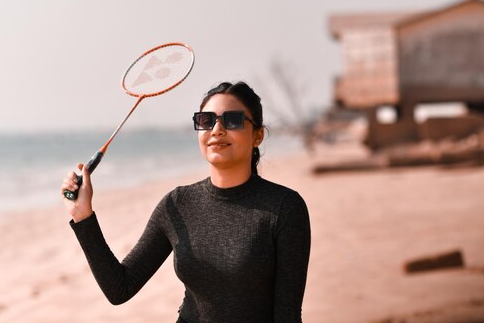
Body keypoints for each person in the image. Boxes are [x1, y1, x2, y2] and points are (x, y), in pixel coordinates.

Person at [61, 81, 311, 323]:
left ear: (257, 135)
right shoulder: (177, 204)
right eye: (206, 121)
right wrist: (83, 216)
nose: (216, 130)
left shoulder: (285, 208)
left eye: (232, 120)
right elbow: (120, 288)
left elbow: (287, 316)